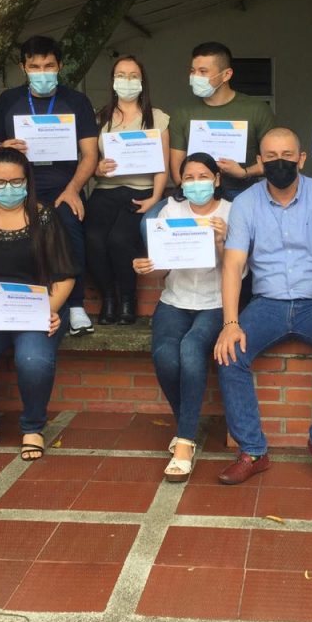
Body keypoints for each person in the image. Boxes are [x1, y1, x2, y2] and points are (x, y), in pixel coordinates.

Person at [214, 128, 312, 488]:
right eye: (271, 156)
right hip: (267, 303)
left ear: (302, 159)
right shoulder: (245, 202)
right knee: (229, 352)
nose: (280, 162)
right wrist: (230, 323)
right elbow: (233, 263)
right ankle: (253, 451)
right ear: (260, 162)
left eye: (288, 155)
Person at [0, 148, 76, 463]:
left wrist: (49, 310)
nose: (9, 188)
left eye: (16, 181)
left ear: (27, 181)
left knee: (33, 360)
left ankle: (33, 426)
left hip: (38, 312)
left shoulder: (45, 217)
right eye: (0, 182)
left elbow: (65, 276)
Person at [0, 36, 97, 336]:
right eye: (35, 66)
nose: (42, 72)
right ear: (23, 68)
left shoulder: (76, 101)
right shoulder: (8, 100)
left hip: (64, 187)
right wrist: (4, 148)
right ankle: (12, 303)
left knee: (71, 227)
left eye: (49, 66)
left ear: (59, 66)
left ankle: (75, 305)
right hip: (18, 188)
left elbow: (90, 154)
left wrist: (73, 189)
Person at [133, 153, 232, 482]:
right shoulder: (171, 211)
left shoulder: (231, 212)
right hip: (175, 299)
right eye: (189, 178)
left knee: (191, 349)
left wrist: (222, 241)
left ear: (217, 179)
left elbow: (241, 270)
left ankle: (185, 442)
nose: (196, 183)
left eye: (203, 176)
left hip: (216, 301)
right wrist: (146, 267)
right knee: (165, 356)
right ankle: (185, 424)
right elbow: (162, 268)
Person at [87, 55, 169, 325]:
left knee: (120, 240)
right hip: (105, 190)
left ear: (142, 81)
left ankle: (127, 300)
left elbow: (163, 165)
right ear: (113, 81)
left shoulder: (157, 117)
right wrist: (98, 169)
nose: (127, 81)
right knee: (94, 241)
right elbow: (89, 161)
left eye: (133, 76)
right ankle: (108, 298)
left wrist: (155, 198)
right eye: (121, 75)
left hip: (142, 190)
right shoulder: (100, 117)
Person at [167, 41, 276, 202]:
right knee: (151, 217)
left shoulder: (257, 110)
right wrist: (192, 196)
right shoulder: (183, 112)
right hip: (196, 192)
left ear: (226, 75)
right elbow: (177, 170)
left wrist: (244, 172)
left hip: (243, 191)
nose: (195, 77)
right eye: (193, 71)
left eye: (203, 71)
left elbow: (274, 162)